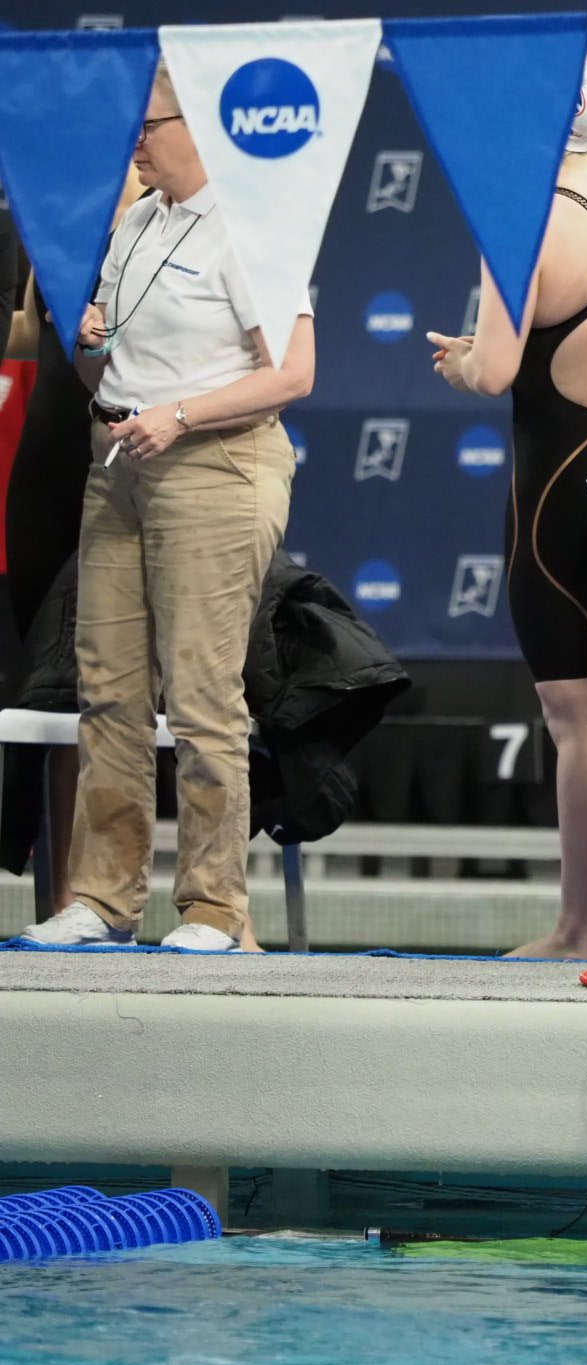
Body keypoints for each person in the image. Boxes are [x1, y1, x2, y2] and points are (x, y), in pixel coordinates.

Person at [20, 63, 313, 950]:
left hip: (214, 466)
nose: (135, 143)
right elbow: (97, 375)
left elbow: (293, 374)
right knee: (106, 688)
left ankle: (216, 908)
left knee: (201, 691)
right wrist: (86, 345)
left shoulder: (251, 226)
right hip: (121, 463)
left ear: (200, 124)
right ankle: (101, 897)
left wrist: (178, 414)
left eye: (150, 126)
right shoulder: (138, 223)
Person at [427, 56, 587, 961]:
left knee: (577, 718)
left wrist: (461, 360)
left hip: (558, 492)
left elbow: (498, 370)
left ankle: (580, 926)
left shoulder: (517, 220)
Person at [4, 174, 148, 920]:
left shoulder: (171, 228)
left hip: (121, 472)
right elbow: (32, 344)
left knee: (95, 691)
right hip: (43, 475)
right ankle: (58, 906)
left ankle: (97, 896)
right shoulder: (57, 226)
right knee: (48, 699)